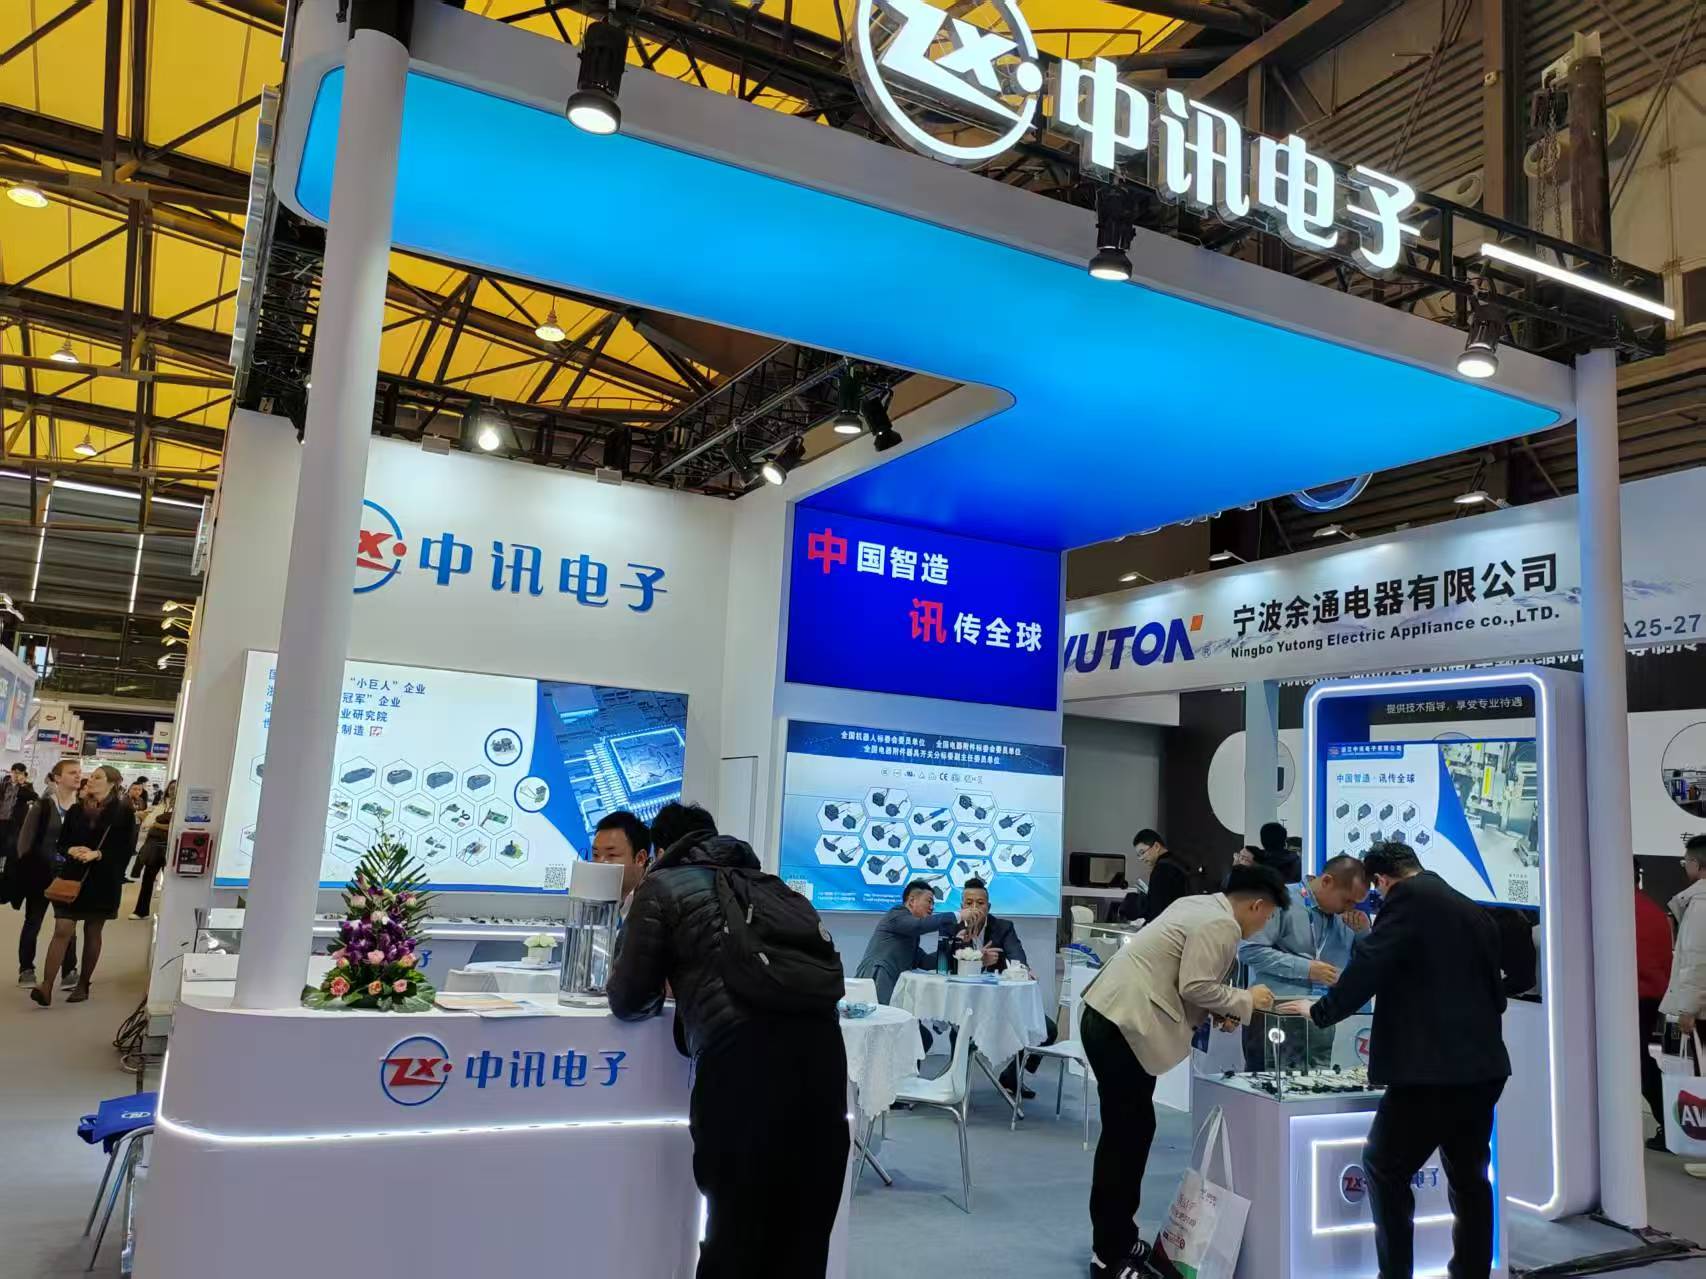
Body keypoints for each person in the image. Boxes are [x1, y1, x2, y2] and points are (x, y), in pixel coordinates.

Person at [608, 802, 848, 1279]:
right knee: (803, 1233)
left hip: (743, 1064)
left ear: (659, 850)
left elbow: (629, 998)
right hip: (824, 1058)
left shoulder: (661, 885)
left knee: (735, 1234)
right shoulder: (769, 885)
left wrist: (674, 983)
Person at [1282, 842, 1509, 1279]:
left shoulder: (1407, 900)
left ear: (1383, 880)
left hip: (1430, 1073)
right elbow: (1497, 996)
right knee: (1470, 1179)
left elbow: (1370, 964)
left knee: (1384, 1166)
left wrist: (1322, 1011)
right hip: (1483, 1068)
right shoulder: (1471, 909)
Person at [1080, 864, 1284, 1278]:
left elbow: (1183, 977)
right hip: (1124, 1026)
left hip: (1111, 1017)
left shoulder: (1199, 905)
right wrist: (1247, 999)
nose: (1265, 924)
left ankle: (1119, 1237)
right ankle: (1108, 1255)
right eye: (1269, 915)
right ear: (1257, 905)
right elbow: (1196, 986)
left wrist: (1220, 1007)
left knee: (1131, 1132)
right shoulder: (1220, 925)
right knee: (1125, 1138)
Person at [1238, 853, 1370, 1070]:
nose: (1350, 907)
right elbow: (1249, 951)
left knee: (1322, 1088)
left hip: (1326, 1020)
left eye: (1357, 903)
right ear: (1327, 881)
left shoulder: (1351, 919)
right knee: (1267, 1084)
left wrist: (1364, 933)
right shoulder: (1280, 900)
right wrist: (1306, 969)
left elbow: (1365, 968)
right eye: (1347, 900)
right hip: (1278, 1013)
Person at [30, 764, 137, 1007]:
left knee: (92, 931)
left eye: (98, 777)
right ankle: (46, 985)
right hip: (73, 876)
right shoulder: (77, 809)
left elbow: (126, 849)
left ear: (112, 783)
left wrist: (98, 854)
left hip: (103, 880)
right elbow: (62, 842)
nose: (90, 780)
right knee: (62, 928)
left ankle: (83, 984)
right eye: (91, 776)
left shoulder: (123, 812)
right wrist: (70, 849)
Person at [956, 877, 1056, 1098]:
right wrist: (977, 959)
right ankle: (956, 1086)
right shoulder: (953, 928)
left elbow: (1016, 955)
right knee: (958, 1031)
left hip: (1001, 1003)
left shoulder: (1003, 927)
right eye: (969, 903)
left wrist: (1023, 969)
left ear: (988, 906)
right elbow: (945, 963)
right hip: (965, 1004)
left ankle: (1012, 1076)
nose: (974, 908)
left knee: (1048, 1029)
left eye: (980, 903)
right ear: (962, 906)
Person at [13, 760, 81, 987]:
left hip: (68, 874)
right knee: (33, 921)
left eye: (79, 772)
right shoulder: (43, 805)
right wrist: (27, 868)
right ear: (58, 777)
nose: (78, 776)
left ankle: (69, 970)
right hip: (40, 873)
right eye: (72, 772)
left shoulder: (81, 808)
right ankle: (26, 969)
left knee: (68, 924)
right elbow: (24, 841)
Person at [855, 878, 970, 1002]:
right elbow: (919, 925)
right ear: (911, 901)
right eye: (929, 901)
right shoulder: (896, 914)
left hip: (891, 982)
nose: (932, 908)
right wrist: (958, 915)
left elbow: (924, 962)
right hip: (877, 977)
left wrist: (956, 943)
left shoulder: (911, 933)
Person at [1635, 860, 1675, 1151]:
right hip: (1650, 996)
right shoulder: (1653, 910)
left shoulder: (1619, 910)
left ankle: (1670, 1124)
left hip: (1630, 997)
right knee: (1639, 1062)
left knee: (1638, 1064)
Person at [1660, 836, 1706, 1061]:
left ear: (1696, 864)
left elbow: (1697, 960)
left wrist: (1688, 1009)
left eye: (1685, 862)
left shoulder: (1700, 904)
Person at [1130, 828, 1198, 925]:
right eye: (1138, 855)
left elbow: (1157, 912)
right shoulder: (1179, 862)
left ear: (1156, 846)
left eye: (1142, 852)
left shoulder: (1161, 870)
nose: (1141, 858)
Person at [590, 810, 652, 916]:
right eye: (596, 855)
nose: (600, 863)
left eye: (611, 855)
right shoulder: (594, 898)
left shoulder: (659, 901)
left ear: (640, 859)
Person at [132, 793, 173, 919]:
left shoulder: (181, 807)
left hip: (170, 848)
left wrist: (157, 824)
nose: (173, 791)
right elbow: (147, 823)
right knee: (148, 879)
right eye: (171, 788)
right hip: (154, 846)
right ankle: (141, 911)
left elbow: (173, 827)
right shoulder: (162, 805)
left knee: (171, 883)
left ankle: (169, 914)